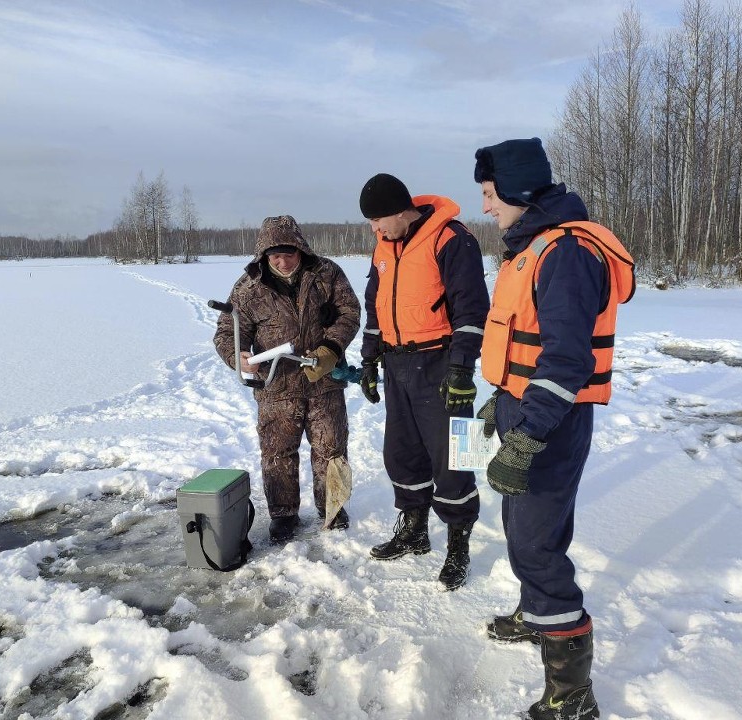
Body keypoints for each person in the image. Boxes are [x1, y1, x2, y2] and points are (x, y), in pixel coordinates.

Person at [473, 138, 634, 720]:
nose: (487, 207)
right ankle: (534, 612)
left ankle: (573, 695)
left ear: (517, 191)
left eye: (490, 195)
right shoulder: (535, 247)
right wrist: (502, 402)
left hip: (551, 421)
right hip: (527, 408)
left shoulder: (564, 254)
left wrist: (526, 436)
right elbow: (527, 342)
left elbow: (567, 361)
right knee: (521, 529)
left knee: (539, 547)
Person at [357, 173, 490, 590]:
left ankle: (459, 544)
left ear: (401, 211)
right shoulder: (384, 246)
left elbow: (472, 308)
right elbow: (376, 307)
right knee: (401, 452)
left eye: (379, 221)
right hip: (397, 364)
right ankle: (414, 529)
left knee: (456, 458)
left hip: (441, 362)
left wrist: (462, 368)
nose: (375, 230)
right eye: (371, 225)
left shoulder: (451, 238)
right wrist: (368, 360)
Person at [213, 215, 361, 544]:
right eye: (274, 255)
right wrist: (236, 356)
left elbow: (350, 311)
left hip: (325, 382)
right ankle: (283, 515)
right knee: (277, 453)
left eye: (288, 254)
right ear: (263, 255)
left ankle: (333, 508)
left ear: (300, 249)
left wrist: (331, 347)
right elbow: (227, 331)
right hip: (276, 388)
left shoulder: (327, 273)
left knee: (332, 449)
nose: (282, 261)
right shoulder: (248, 287)